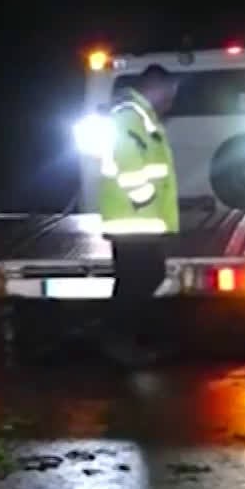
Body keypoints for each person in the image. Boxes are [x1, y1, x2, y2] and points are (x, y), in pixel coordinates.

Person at [97, 63, 181, 365]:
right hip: (132, 218)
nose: (171, 103)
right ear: (156, 89)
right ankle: (117, 341)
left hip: (140, 218)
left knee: (140, 278)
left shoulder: (140, 117)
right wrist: (145, 200)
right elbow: (129, 162)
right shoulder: (129, 117)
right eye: (169, 95)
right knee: (139, 279)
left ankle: (129, 341)